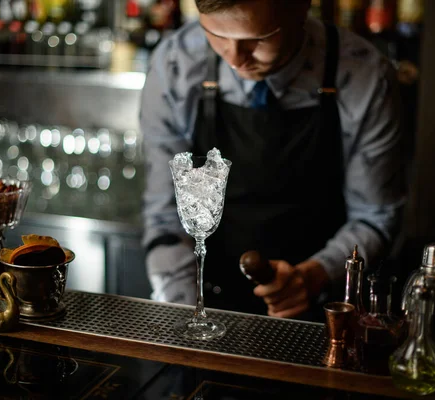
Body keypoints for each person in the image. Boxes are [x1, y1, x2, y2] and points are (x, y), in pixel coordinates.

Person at [140, 0, 407, 319]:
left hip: (322, 308)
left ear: (301, 9)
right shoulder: (175, 63)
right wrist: (181, 312)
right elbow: (165, 211)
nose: (235, 59)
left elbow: (375, 216)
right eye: (216, 34)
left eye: (258, 38)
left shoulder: (365, 74)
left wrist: (312, 276)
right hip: (207, 296)